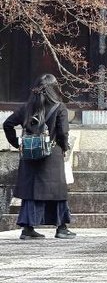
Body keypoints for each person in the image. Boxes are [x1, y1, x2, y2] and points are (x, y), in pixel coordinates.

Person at [3, 74, 75, 239]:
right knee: (57, 193)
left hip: (30, 154)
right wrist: (64, 147)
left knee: (32, 192)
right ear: (54, 89)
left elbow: (7, 124)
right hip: (52, 155)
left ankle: (27, 229)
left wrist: (17, 143)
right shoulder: (59, 107)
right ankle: (61, 228)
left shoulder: (26, 108)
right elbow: (63, 133)